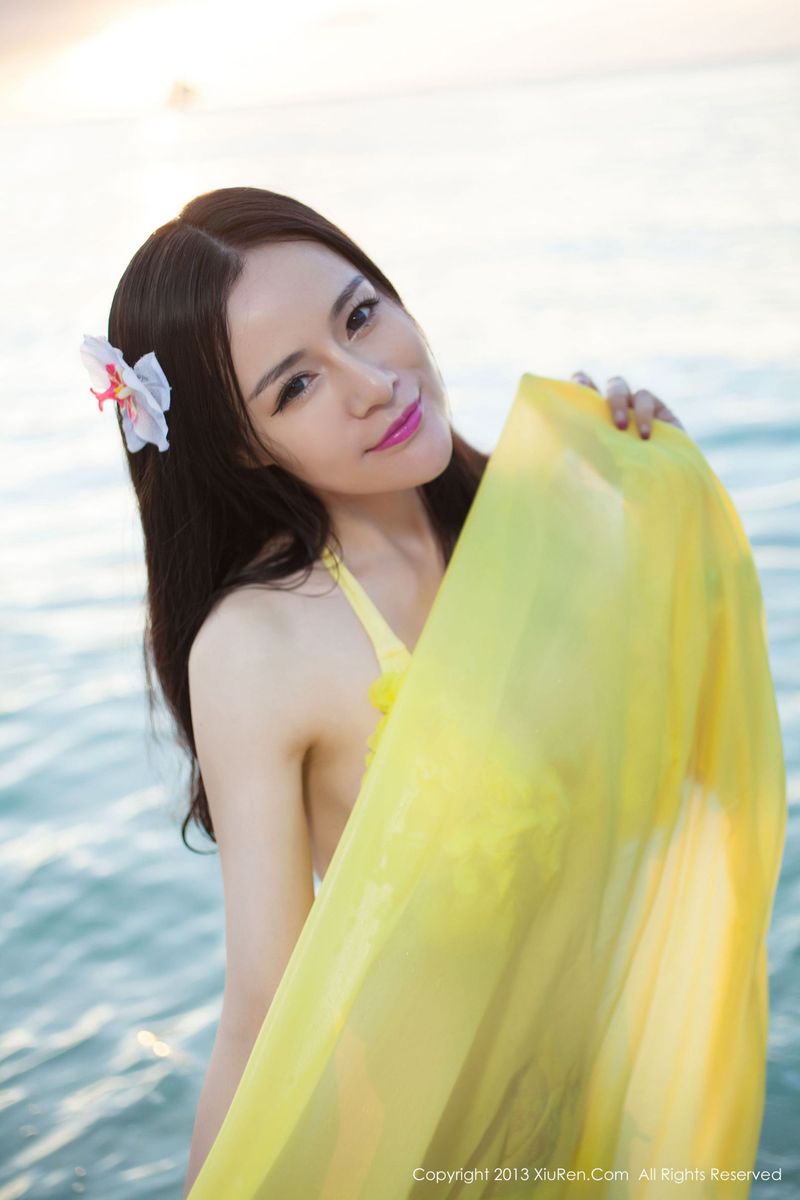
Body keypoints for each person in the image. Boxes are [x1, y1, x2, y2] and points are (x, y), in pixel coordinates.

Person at [80, 186, 695, 1197]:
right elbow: (264, 1010)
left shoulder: (541, 518)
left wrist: (653, 496)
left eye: (360, 314)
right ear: (241, 445)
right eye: (295, 386)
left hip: (602, 1115)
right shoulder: (261, 644)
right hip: (425, 1154)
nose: (371, 383)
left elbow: (690, 766)